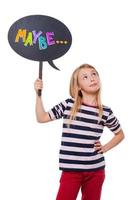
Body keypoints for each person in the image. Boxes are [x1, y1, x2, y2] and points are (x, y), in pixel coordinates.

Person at [34, 63, 124, 200]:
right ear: (78, 86)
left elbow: (120, 134)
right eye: (85, 77)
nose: (92, 78)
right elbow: (42, 117)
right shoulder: (68, 105)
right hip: (71, 171)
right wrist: (38, 95)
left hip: (96, 170)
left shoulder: (105, 111)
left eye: (94, 74)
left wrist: (105, 148)